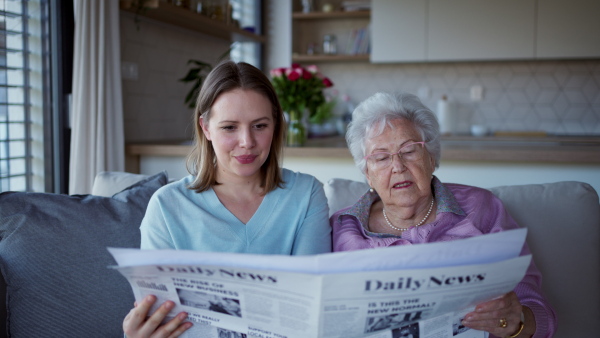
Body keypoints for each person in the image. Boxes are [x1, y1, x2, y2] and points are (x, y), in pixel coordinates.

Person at [123, 61, 332, 337]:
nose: (247, 141)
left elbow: (310, 310)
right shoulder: (166, 206)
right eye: (230, 127)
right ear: (206, 128)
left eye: (259, 125)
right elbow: (159, 316)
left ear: (276, 126)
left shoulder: (306, 194)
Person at [330, 92, 557, 338]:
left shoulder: (481, 209)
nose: (398, 166)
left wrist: (515, 322)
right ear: (367, 174)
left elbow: (536, 308)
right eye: (381, 157)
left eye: (408, 151)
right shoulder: (342, 228)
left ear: (431, 158)